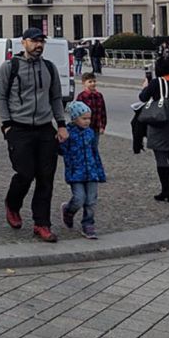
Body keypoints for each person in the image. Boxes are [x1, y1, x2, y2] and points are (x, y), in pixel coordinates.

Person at [0, 27, 68, 243]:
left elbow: (56, 97)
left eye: (41, 42)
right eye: (34, 41)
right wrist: (7, 124)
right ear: (23, 42)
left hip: (45, 128)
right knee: (25, 173)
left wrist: (61, 124)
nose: (39, 45)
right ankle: (13, 204)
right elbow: (0, 97)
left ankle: (42, 223)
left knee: (46, 179)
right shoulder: (10, 67)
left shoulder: (49, 67)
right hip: (19, 128)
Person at [137, 57, 169, 202]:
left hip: (159, 123)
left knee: (161, 156)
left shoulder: (156, 83)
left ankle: (165, 189)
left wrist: (145, 86)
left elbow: (143, 98)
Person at [58, 101, 105, 239]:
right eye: (84, 118)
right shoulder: (68, 133)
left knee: (91, 200)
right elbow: (62, 151)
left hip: (91, 172)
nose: (87, 121)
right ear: (74, 118)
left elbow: (94, 152)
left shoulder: (90, 133)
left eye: (89, 118)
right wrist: (59, 143)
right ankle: (68, 210)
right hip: (76, 173)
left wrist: (99, 171)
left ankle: (88, 223)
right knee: (79, 198)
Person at [77, 72, 107, 146]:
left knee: (94, 147)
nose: (93, 83)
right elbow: (77, 113)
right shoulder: (81, 97)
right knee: (85, 146)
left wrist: (103, 126)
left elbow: (103, 112)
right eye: (90, 82)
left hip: (96, 127)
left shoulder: (99, 96)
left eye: (94, 81)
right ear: (84, 83)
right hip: (85, 128)